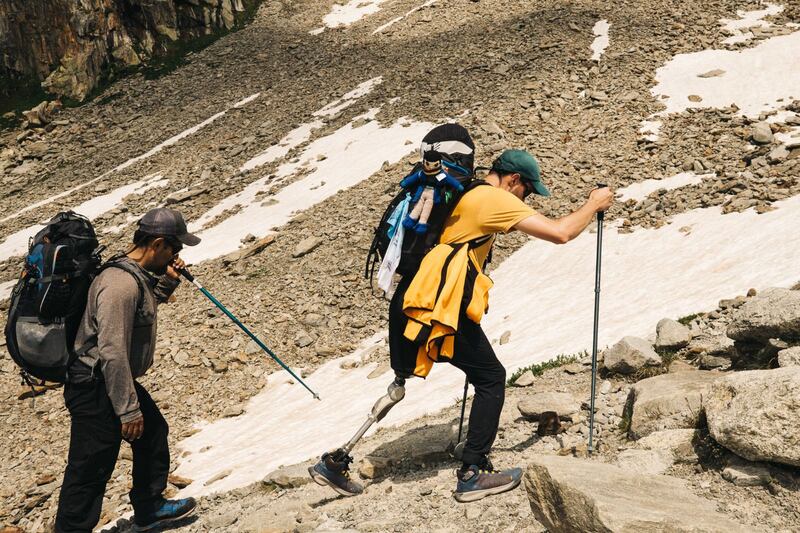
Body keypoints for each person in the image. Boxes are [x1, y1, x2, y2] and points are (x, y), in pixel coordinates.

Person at [311, 141, 614, 503]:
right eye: (527, 191)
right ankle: (473, 471)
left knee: (401, 384)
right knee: (491, 377)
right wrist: (594, 204)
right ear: (513, 180)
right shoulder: (494, 199)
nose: (526, 200)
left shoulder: (465, 193)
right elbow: (561, 232)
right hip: (439, 307)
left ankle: (335, 461)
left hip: (415, 300)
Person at [55, 208, 201, 532]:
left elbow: (143, 312)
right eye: (174, 249)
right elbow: (113, 352)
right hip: (94, 386)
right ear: (158, 243)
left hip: (106, 380)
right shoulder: (119, 284)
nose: (176, 256)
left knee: (153, 433)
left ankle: (150, 509)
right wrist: (127, 409)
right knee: (90, 470)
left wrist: (169, 281)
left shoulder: (135, 272)